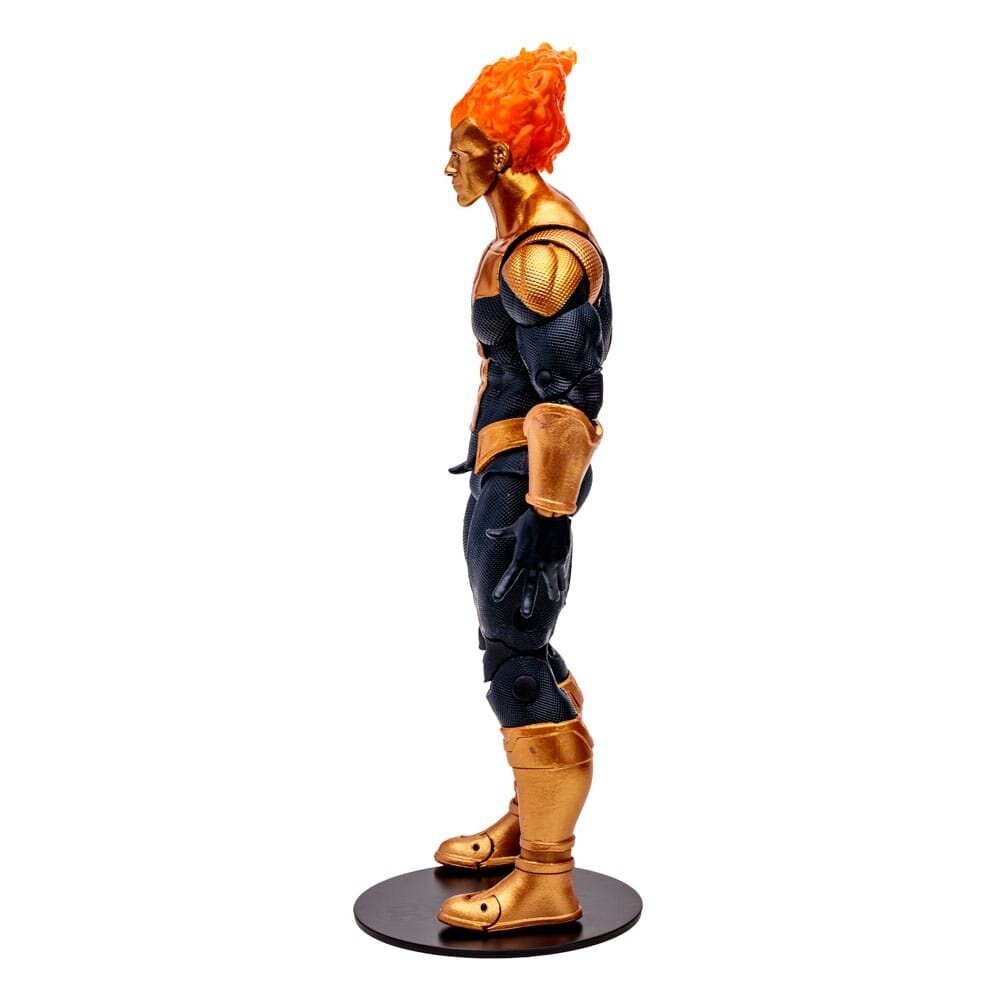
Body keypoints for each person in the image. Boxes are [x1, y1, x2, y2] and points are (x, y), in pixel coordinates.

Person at [434, 44, 614, 932]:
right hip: (502, 470)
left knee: (514, 661)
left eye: (462, 149)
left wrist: (547, 511)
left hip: (525, 481)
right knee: (512, 644)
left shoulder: (542, 257)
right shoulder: (513, 238)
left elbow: (569, 396)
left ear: (502, 152)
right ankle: (526, 816)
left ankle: (548, 875)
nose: (449, 166)